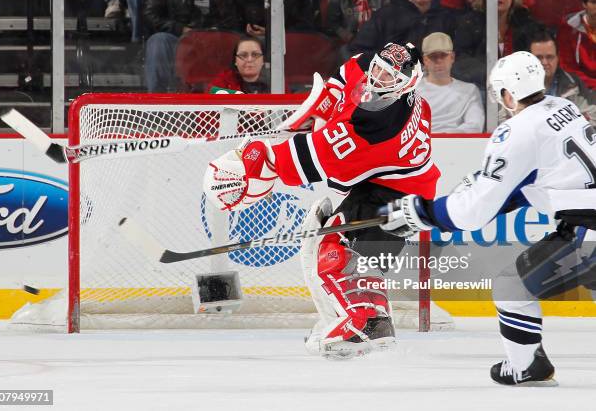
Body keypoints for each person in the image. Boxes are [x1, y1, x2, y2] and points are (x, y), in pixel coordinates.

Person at [203, 42, 440, 359]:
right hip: (389, 183)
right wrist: (321, 112)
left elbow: (327, 174)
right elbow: (342, 81)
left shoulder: (376, 128)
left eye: (388, 77)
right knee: (337, 246)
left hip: (397, 196)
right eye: (378, 70)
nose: (378, 78)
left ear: (406, 83)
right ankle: (365, 322)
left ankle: (366, 323)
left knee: (336, 250)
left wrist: (254, 160)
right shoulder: (371, 69)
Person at [381, 51, 596, 385]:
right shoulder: (563, 107)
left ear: (508, 94)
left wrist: (422, 211)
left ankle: (527, 367)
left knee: (512, 287)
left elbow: (473, 212)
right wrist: (492, 194)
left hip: (588, 234)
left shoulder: (516, 132)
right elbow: (544, 181)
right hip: (585, 224)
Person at [348, 0, 456, 55]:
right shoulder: (384, 16)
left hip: (438, 85)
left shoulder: (448, 18)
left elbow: (459, 55)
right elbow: (357, 51)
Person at [417, 32, 484, 132]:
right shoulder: (411, 92)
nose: (439, 61)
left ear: (452, 57)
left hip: (458, 146)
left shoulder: (469, 91)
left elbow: (475, 126)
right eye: (433, 56)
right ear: (425, 60)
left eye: (443, 55)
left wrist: (445, 139)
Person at [525, 29, 594, 125]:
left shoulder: (574, 83)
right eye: (539, 57)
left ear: (558, 58)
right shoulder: (518, 87)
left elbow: (592, 116)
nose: (544, 62)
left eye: (549, 57)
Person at [143, 0, 204, 92]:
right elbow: (150, 16)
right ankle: (157, 101)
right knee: (159, 41)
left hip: (213, 37)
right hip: (178, 38)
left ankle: (229, 100)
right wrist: (181, 29)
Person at [557, 0, 596, 90]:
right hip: (581, 88)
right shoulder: (568, 28)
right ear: (584, 4)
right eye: (594, 2)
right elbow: (567, 67)